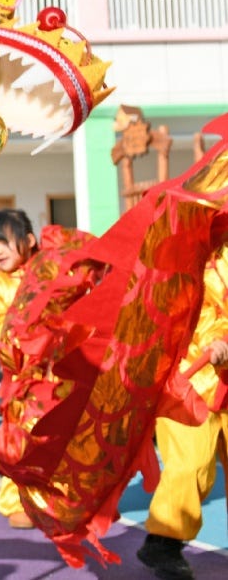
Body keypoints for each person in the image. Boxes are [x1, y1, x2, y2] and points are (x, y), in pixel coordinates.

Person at [137, 242, 228, 580]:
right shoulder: (175, 254)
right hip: (186, 380)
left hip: (222, 374)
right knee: (191, 464)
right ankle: (164, 542)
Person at [0, 209, 39, 527]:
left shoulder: (49, 271)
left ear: (30, 240)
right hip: (22, 374)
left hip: (59, 372)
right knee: (19, 435)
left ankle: (62, 500)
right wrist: (29, 321)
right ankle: (16, 501)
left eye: (3, 242)